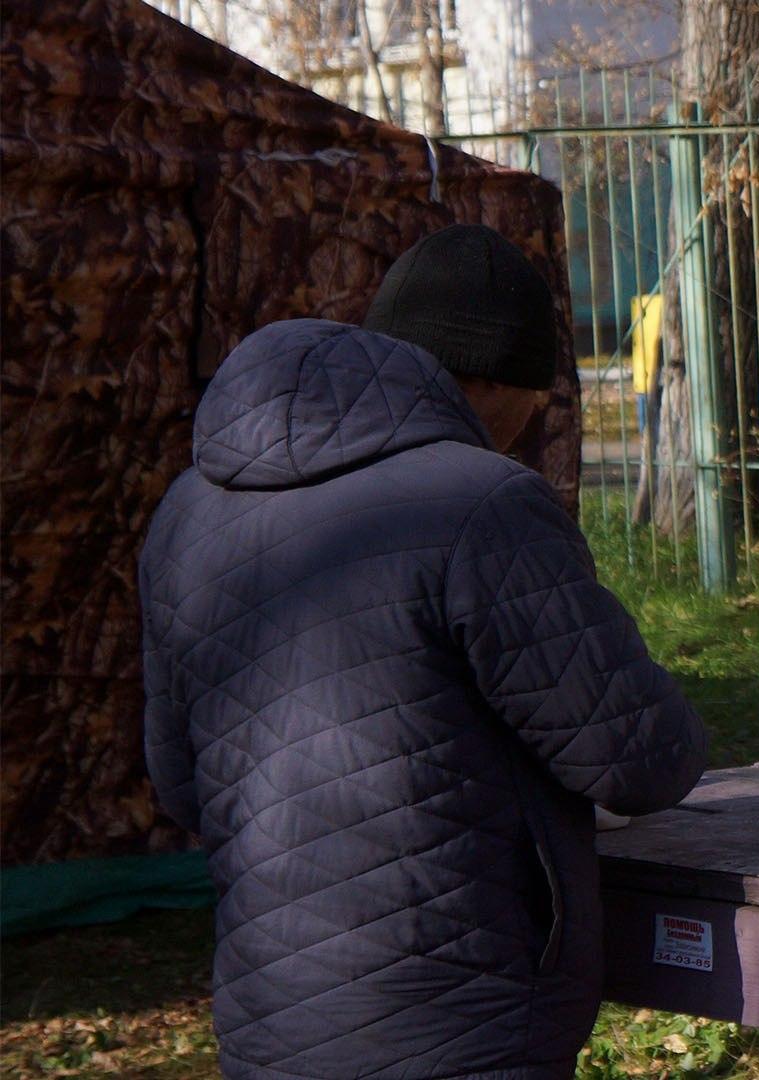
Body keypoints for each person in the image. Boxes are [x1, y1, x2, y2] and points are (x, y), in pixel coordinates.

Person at [140, 223, 708, 1079]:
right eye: (538, 389)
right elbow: (638, 759)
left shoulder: (188, 507)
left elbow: (180, 780)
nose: (540, 415)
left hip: (267, 1025)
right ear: (484, 381)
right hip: (463, 1021)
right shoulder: (484, 503)